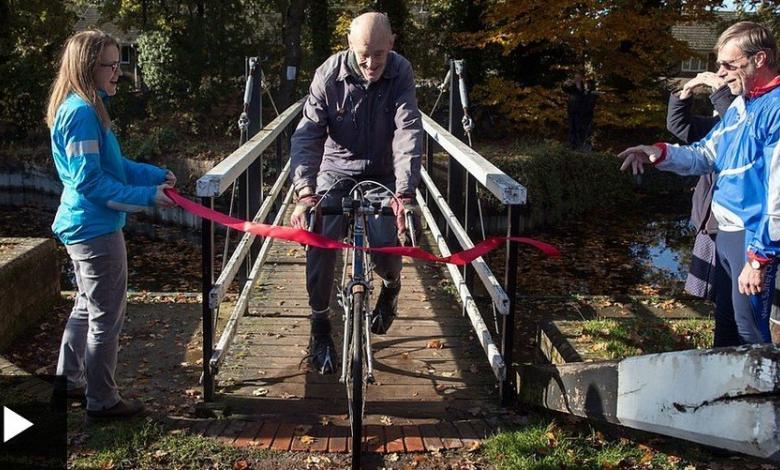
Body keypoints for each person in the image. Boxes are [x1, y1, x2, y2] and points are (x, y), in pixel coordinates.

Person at [619, 21, 780, 347]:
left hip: (754, 238)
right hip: (727, 233)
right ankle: (727, 396)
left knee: (751, 334)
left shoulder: (775, 108)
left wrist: (759, 259)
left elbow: (778, 193)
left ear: (759, 59)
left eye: (729, 65)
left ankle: (764, 398)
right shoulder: (740, 105)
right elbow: (705, 154)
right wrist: (659, 154)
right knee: (725, 328)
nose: (720, 74)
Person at [46, 30, 176, 419]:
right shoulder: (82, 112)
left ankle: (69, 381)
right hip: (94, 229)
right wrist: (150, 198)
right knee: (106, 314)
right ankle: (102, 400)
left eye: (118, 63)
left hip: (84, 225)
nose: (118, 72)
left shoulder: (84, 107)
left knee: (86, 307)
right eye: (111, 65)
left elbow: (112, 168)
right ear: (89, 67)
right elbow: (91, 183)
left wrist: (154, 176)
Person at [289, 12, 422, 374]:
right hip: (336, 170)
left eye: (378, 54)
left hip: (382, 171)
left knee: (389, 242)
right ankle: (319, 327)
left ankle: (391, 287)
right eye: (363, 54)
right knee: (319, 236)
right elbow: (308, 134)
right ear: (349, 44)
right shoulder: (328, 75)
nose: (370, 63)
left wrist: (405, 195)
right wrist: (304, 192)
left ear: (391, 44)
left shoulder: (401, 72)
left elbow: (408, 129)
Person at [666, 72, 735, 300]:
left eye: (729, 66)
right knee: (708, 296)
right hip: (709, 222)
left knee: (734, 300)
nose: (722, 73)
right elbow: (680, 126)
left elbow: (739, 130)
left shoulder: (755, 118)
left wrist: (721, 93)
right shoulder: (719, 125)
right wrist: (685, 93)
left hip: (735, 226)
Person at [563, 71, 597, 151]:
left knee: (580, 129)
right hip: (572, 111)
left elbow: (588, 96)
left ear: (581, 78)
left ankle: (580, 146)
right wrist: (566, 83)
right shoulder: (572, 87)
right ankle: (572, 146)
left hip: (581, 113)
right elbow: (564, 88)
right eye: (576, 78)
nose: (577, 79)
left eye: (578, 77)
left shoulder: (584, 87)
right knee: (572, 129)